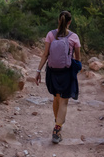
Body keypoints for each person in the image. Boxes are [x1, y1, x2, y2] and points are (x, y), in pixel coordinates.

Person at [35, 10, 82, 144]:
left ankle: (58, 123)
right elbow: (77, 59)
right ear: (69, 22)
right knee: (64, 101)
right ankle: (57, 128)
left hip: (52, 71)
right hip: (66, 73)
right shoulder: (74, 37)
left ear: (58, 20)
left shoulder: (51, 34)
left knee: (56, 97)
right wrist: (77, 70)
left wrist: (38, 71)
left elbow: (45, 55)